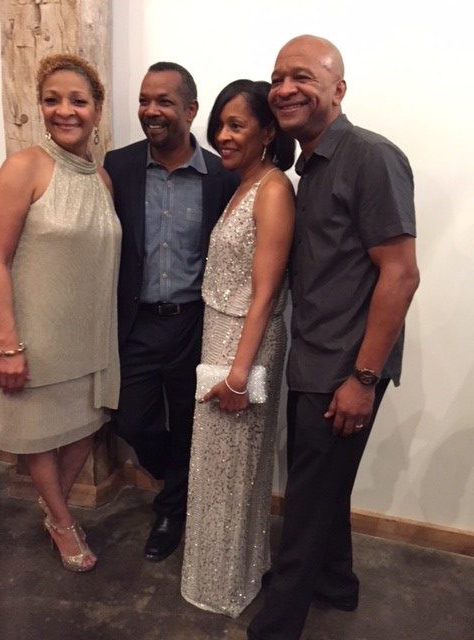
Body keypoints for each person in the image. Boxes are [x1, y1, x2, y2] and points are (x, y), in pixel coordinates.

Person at [247, 35, 420, 640]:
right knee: (322, 490)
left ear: (338, 89)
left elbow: (401, 274)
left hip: (345, 368)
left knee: (305, 503)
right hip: (315, 358)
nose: (285, 88)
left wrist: (362, 379)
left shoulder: (370, 157)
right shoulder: (310, 166)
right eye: (277, 77)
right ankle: (336, 583)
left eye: (302, 76)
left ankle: (278, 624)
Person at [104, 62, 238, 563]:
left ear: (191, 110)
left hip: (192, 323)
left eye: (163, 101)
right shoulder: (118, 166)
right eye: (144, 100)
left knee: (188, 423)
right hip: (135, 322)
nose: (150, 110)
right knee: (130, 420)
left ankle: (170, 512)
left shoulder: (221, 176)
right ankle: (174, 476)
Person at [0, 54, 121, 572]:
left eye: (77, 100)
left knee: (85, 427)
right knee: (38, 435)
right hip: (36, 336)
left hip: (90, 336)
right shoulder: (24, 166)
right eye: (52, 100)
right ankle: (65, 523)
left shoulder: (102, 179)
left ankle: (56, 513)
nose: (64, 110)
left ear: (97, 110)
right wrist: (7, 344)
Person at [181, 79, 296, 617]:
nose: (222, 136)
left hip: (243, 345)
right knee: (217, 468)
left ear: (268, 133)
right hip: (220, 336)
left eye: (236, 125)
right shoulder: (243, 185)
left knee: (234, 468)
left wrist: (238, 375)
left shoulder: (273, 189)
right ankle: (226, 572)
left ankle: (230, 582)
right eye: (220, 126)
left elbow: (266, 293)